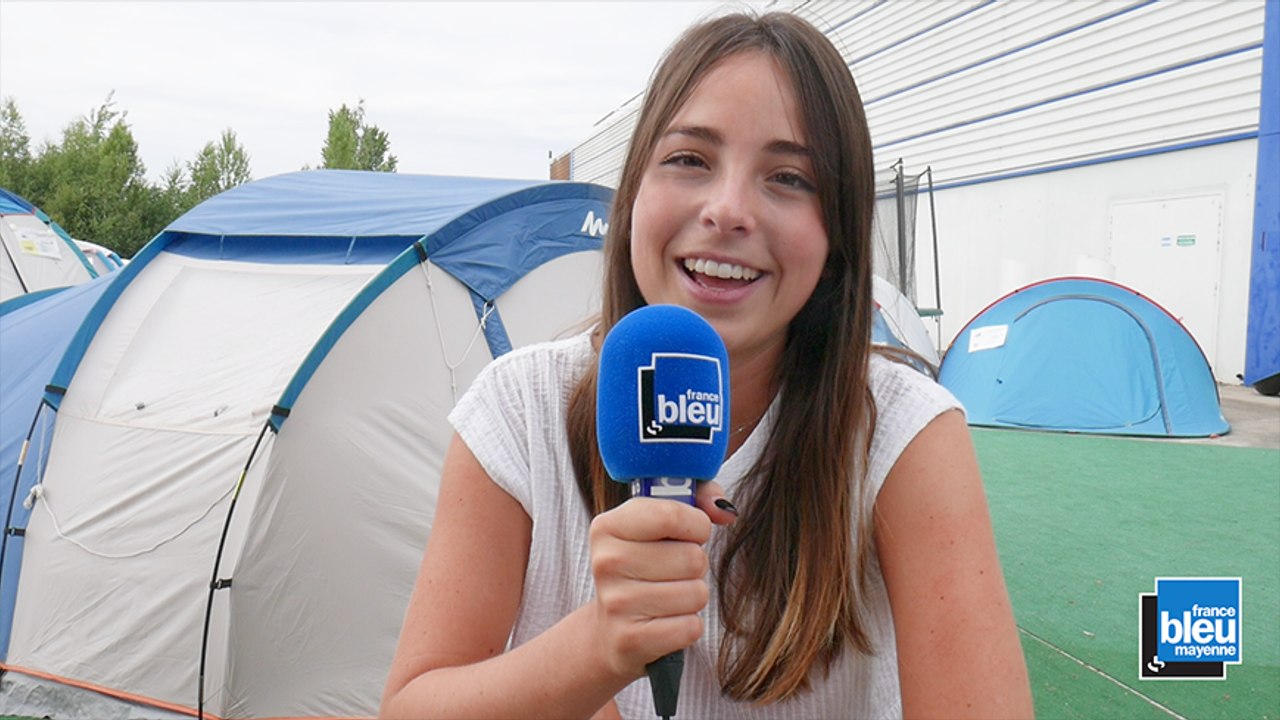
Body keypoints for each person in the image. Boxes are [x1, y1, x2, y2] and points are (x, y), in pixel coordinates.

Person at [381, 11, 1033, 720]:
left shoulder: (904, 433)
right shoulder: (518, 406)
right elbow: (412, 704)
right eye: (690, 159)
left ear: (837, 235)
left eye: (787, 177)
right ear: (632, 196)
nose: (727, 210)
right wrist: (594, 648)